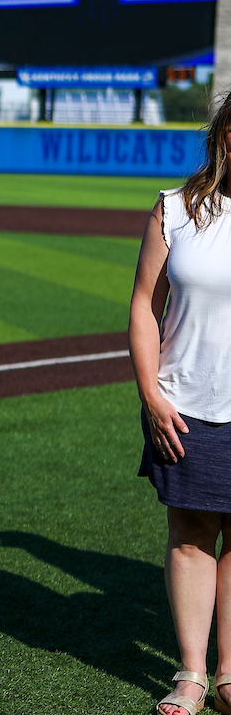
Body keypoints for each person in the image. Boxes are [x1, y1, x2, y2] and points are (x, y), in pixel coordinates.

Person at [130, 92, 231, 715]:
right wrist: (150, 393)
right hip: (185, 402)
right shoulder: (177, 208)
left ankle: (230, 673)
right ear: (222, 138)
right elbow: (144, 303)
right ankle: (192, 674)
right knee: (192, 533)